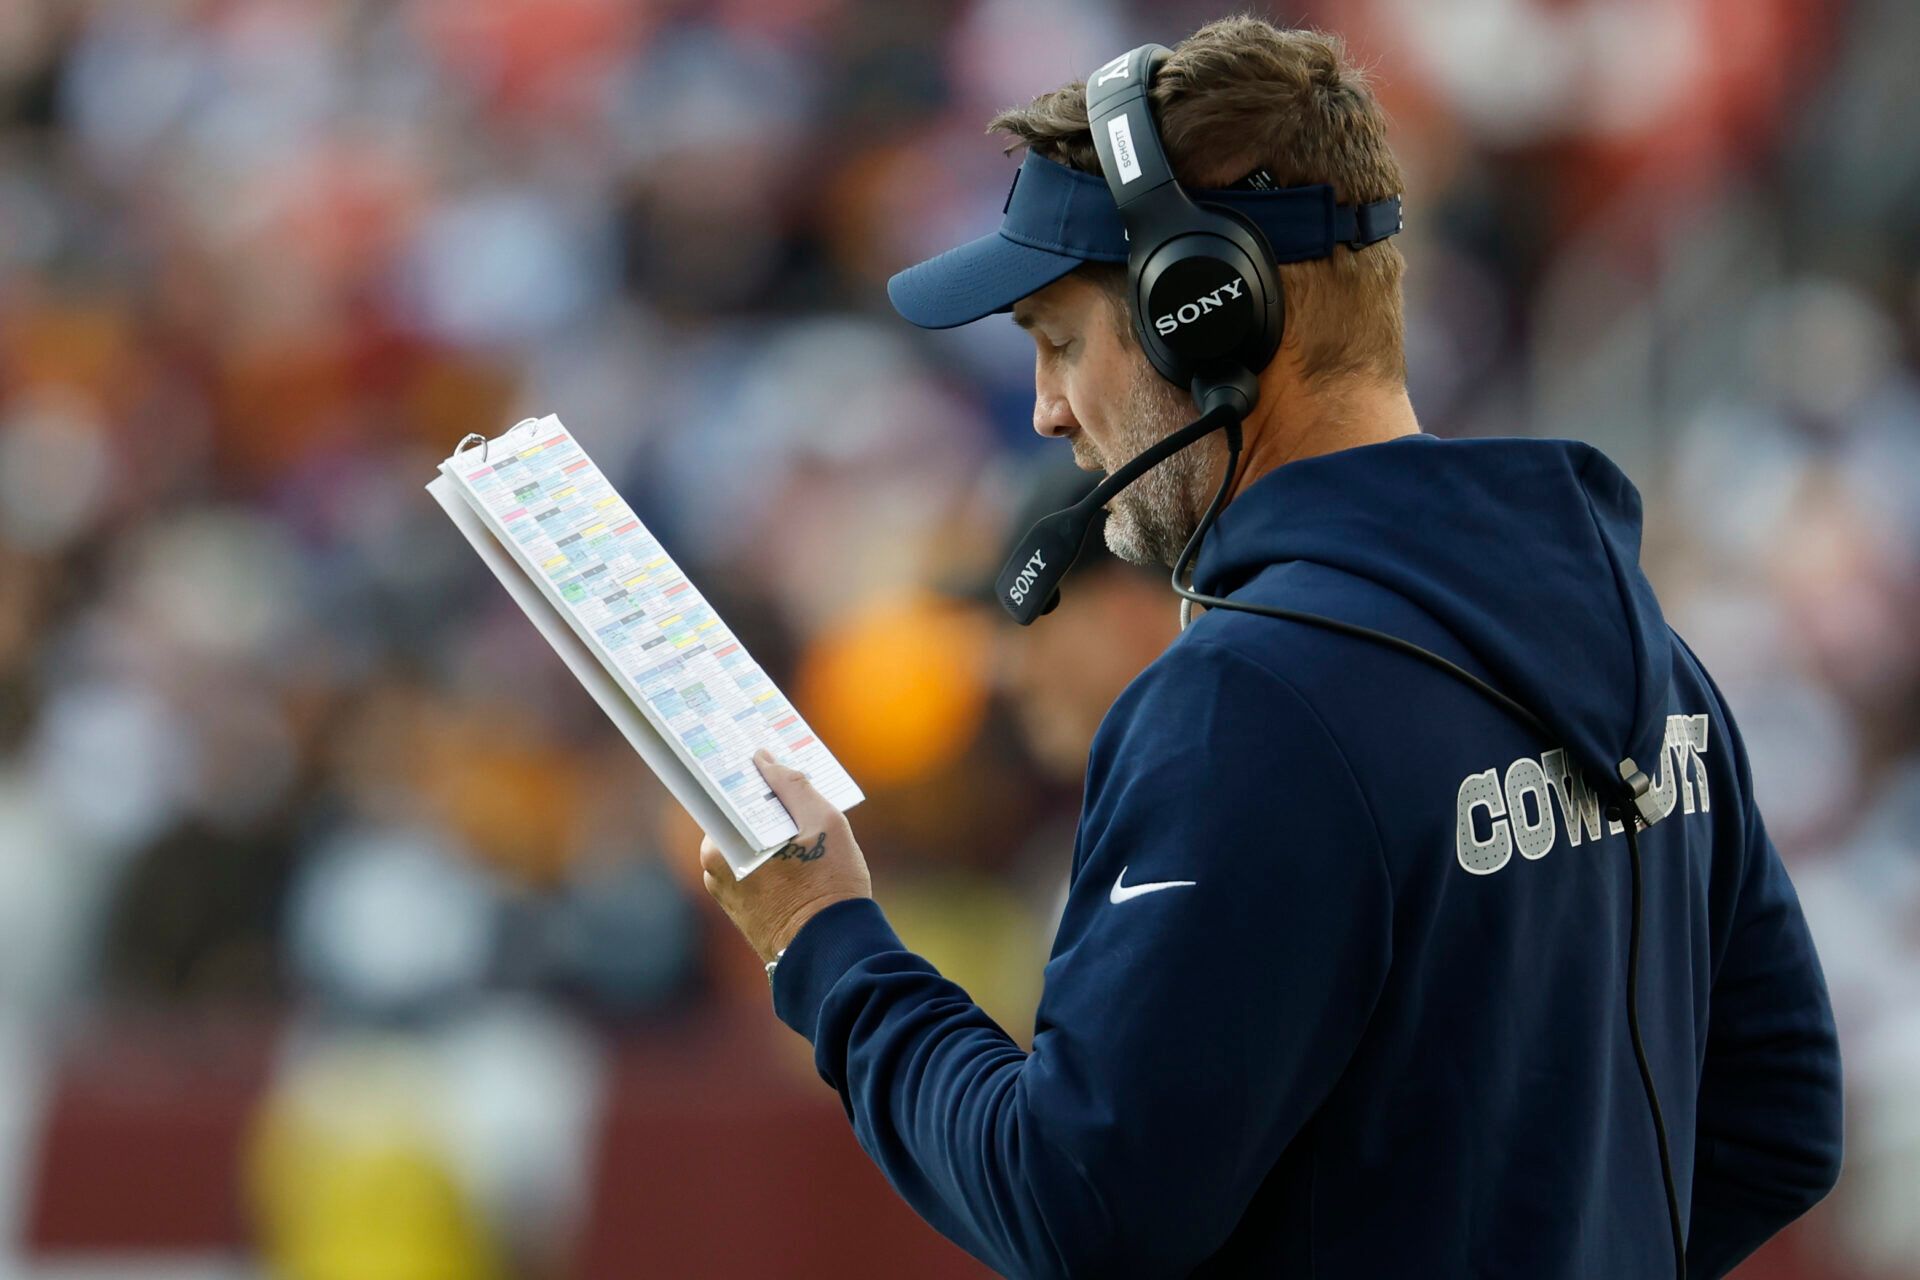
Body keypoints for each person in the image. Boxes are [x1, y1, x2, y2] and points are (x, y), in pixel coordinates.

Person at [697, 17, 1843, 1278]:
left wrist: (828, 941)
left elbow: (1073, 1201)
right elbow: (1779, 1119)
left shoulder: (1245, 699)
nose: (1047, 409)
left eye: (1062, 340)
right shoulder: (1643, 643)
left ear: (1205, 315)